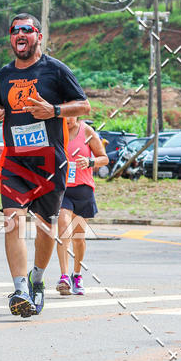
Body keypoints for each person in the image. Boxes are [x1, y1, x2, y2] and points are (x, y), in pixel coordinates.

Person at [0, 13, 90, 317]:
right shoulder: (4, 74)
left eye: (27, 30)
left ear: (38, 36)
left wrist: (54, 110)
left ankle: (36, 279)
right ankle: (19, 290)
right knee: (12, 219)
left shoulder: (56, 70)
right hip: (15, 160)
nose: (20, 35)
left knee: (46, 226)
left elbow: (84, 105)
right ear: (11, 38)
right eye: (14, 31)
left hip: (49, 161)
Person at [56, 115, 108, 296]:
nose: (67, 119)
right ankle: (64, 277)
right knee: (63, 229)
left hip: (83, 190)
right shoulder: (56, 130)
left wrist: (90, 162)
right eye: (63, 115)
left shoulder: (86, 131)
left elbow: (104, 158)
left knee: (78, 238)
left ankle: (76, 274)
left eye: (70, 115)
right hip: (63, 190)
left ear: (77, 114)